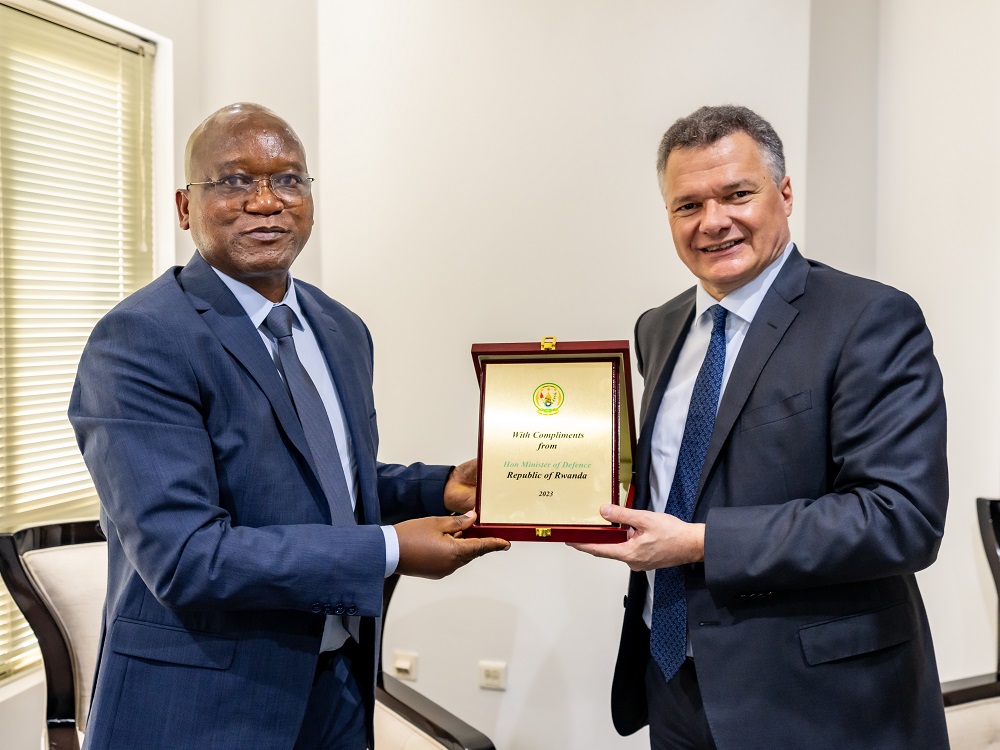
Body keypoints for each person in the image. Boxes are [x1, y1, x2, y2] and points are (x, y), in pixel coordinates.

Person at [68, 102, 509, 750]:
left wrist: (437, 488)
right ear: (185, 207)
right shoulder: (140, 339)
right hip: (202, 707)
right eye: (235, 180)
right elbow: (186, 557)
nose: (266, 201)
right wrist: (389, 549)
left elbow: (320, 479)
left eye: (288, 179)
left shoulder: (340, 328)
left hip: (338, 685)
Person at [571, 105, 949, 749]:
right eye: (688, 205)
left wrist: (700, 543)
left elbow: (899, 518)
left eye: (737, 194)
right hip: (673, 681)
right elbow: (675, 475)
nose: (713, 221)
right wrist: (539, 485)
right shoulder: (657, 328)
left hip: (817, 699)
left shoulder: (869, 319)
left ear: (785, 193)